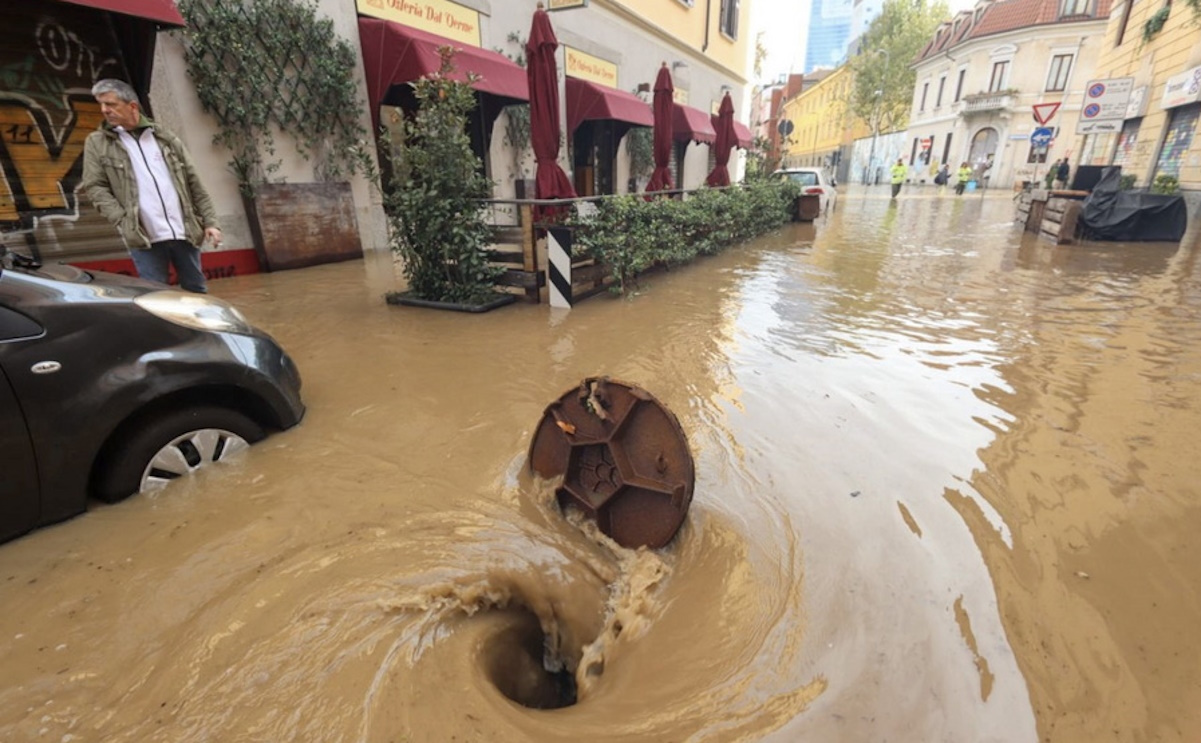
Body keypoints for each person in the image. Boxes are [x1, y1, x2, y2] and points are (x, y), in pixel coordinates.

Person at [81, 79, 221, 293]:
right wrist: (122, 218)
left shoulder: (165, 138)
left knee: (197, 289)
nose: (104, 110)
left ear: (132, 106)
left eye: (110, 104)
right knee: (156, 295)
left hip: (185, 231)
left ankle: (198, 328)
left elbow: (193, 181)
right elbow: (95, 186)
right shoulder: (97, 143)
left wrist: (211, 222)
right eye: (101, 105)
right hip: (144, 236)